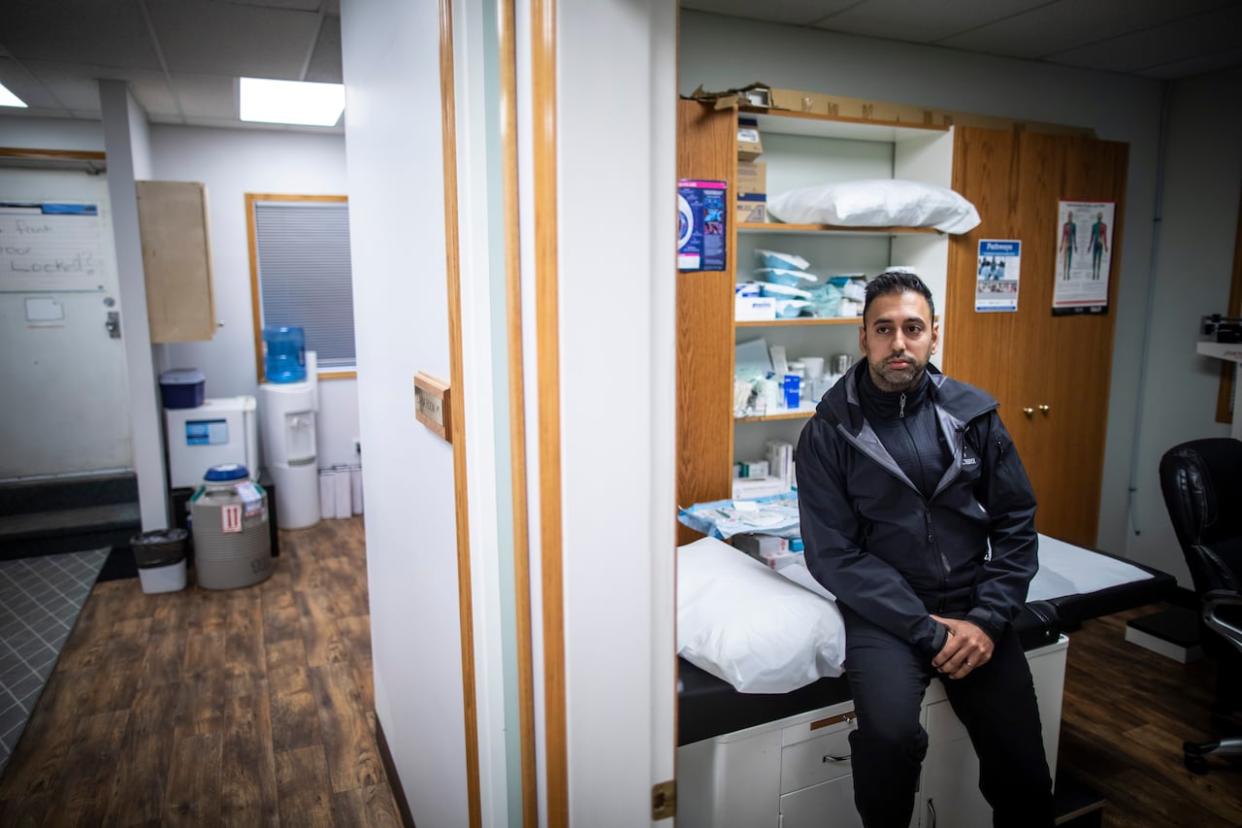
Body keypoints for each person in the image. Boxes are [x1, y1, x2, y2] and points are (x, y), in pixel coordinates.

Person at [796, 271, 1053, 828]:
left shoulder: (973, 415)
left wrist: (987, 620)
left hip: (973, 601)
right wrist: (927, 631)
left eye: (913, 328)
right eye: (883, 329)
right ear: (863, 337)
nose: (899, 343)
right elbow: (832, 554)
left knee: (1025, 770)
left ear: (934, 334)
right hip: (885, 614)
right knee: (889, 743)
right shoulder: (829, 431)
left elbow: (1015, 522)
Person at [1089, 212, 1109, 281]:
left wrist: (1106, 246)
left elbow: (1105, 236)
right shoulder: (1094, 225)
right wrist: (1089, 246)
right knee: (1094, 259)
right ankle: (1094, 273)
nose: (1099, 217)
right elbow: (1092, 236)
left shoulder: (1104, 226)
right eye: (1099, 216)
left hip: (1100, 244)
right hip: (1096, 244)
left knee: (1099, 259)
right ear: (1098, 217)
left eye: (1100, 216)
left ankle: (1097, 274)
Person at [1059, 212, 1077, 278]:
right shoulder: (1065, 225)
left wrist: (1075, 246)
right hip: (1066, 243)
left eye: (1071, 216)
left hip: (1071, 244)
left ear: (1072, 217)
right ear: (1067, 217)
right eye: (1069, 216)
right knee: (1065, 259)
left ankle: (1068, 273)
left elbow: (1074, 236)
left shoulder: (1074, 225)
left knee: (1070, 259)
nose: (1070, 217)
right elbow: (1063, 235)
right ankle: (1064, 274)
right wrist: (1061, 245)